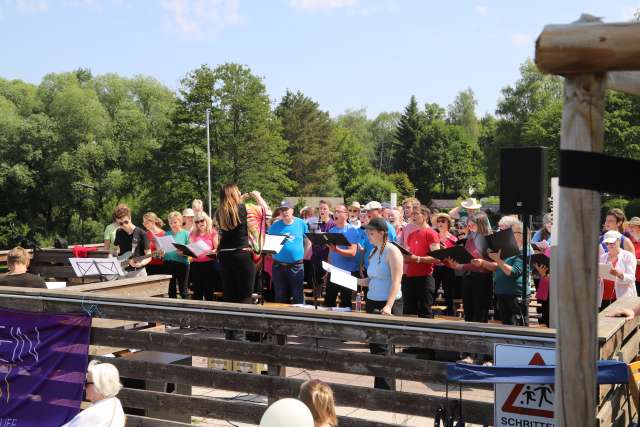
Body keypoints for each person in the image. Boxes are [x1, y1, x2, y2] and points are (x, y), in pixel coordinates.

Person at [361, 217, 403, 389]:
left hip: (387, 304)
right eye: (367, 232)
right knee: (375, 347)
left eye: (371, 232)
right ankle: (381, 389)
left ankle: (386, 391)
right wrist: (342, 277)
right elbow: (370, 280)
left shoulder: (393, 251)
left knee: (384, 348)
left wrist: (388, 306)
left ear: (382, 233)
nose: (368, 235)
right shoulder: (374, 251)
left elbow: (396, 281)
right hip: (372, 301)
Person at [215, 184, 267, 305]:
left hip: (224, 255)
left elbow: (232, 208)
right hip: (241, 254)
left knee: (229, 295)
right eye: (238, 191)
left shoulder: (219, 212)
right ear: (234, 193)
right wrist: (257, 196)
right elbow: (266, 212)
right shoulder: (246, 208)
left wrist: (240, 199)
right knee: (245, 296)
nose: (240, 192)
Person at [475, 220, 532, 326]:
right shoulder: (508, 248)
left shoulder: (526, 250)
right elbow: (498, 267)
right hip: (502, 293)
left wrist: (498, 260)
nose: (510, 235)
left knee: (518, 327)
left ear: (523, 235)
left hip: (515, 295)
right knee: (506, 326)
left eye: (514, 232)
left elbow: (513, 272)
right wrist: (482, 263)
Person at [402, 205, 440, 317]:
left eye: (416, 213)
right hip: (409, 278)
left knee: (425, 313)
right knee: (408, 312)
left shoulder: (431, 233)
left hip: (425, 278)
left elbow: (437, 258)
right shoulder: (411, 235)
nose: (412, 216)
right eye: (412, 214)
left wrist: (417, 259)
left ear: (425, 216)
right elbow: (408, 256)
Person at [268, 201, 309, 304]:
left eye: (286, 210)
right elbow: (270, 245)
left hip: (296, 266)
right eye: (282, 210)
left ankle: (300, 319)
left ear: (292, 211)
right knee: (280, 296)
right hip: (279, 266)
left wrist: (302, 256)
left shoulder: (301, 223)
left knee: (298, 296)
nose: (284, 212)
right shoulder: (275, 226)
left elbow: (308, 242)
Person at [62, 361, 125, 427]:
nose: (84, 387)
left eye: (87, 383)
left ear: (99, 385)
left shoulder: (96, 413)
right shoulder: (114, 403)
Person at [325, 204, 360, 308]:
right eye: (335, 211)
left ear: (346, 215)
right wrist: (328, 269)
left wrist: (337, 250)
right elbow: (330, 252)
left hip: (347, 272)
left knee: (345, 303)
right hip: (333, 271)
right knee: (329, 302)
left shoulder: (352, 230)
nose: (335, 213)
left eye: (338, 211)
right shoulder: (332, 231)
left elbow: (353, 252)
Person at [598, 230, 637, 309]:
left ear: (619, 241)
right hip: (603, 298)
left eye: (612, 242)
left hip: (621, 298)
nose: (609, 245)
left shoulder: (628, 256)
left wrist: (619, 274)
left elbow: (632, 278)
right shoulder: (603, 257)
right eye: (607, 243)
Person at [112, 205, 151, 277]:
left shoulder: (141, 233)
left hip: (138, 272)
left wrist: (141, 263)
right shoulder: (119, 232)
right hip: (122, 272)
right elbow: (116, 249)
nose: (124, 225)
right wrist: (115, 256)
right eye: (120, 223)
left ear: (130, 218)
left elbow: (149, 256)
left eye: (126, 222)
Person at [189, 212, 219, 301]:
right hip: (196, 265)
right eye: (197, 222)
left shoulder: (213, 232)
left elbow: (217, 249)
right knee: (197, 291)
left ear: (206, 220)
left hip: (209, 264)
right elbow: (191, 248)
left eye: (202, 220)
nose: (200, 223)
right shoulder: (192, 234)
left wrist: (211, 251)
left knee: (209, 291)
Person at [432, 213, 458, 316]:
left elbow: (455, 254)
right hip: (435, 267)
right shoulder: (434, 235)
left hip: (448, 267)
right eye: (438, 221)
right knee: (432, 291)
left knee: (449, 294)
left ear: (448, 223)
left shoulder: (453, 238)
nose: (440, 223)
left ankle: (450, 314)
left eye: (443, 221)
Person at [163, 211, 190, 299]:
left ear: (180, 222)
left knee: (183, 290)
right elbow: (164, 248)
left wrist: (184, 252)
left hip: (182, 264)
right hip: (168, 263)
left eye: (175, 222)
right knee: (171, 290)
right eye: (170, 222)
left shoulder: (186, 234)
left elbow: (191, 251)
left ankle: (186, 310)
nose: (172, 224)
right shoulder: (166, 234)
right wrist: (161, 251)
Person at [628, 217, 640, 295]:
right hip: (631, 279)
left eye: (633, 226)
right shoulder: (628, 240)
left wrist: (632, 260)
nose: (630, 228)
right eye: (629, 226)